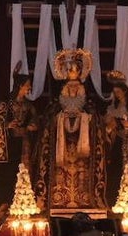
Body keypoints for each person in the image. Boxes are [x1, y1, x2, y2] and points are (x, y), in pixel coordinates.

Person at [42, 48, 110, 209]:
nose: (73, 90)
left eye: (76, 88)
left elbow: (95, 119)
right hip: (63, 144)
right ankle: (59, 198)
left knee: (82, 171)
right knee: (62, 172)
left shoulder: (88, 104)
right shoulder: (57, 104)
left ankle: (85, 198)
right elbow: (50, 118)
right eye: (70, 89)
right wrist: (60, 118)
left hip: (81, 146)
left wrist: (86, 118)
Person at [0, 66, 40, 202]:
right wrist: (7, 125)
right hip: (10, 143)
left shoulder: (29, 106)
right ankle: (6, 201)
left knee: (25, 170)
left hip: (24, 142)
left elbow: (35, 120)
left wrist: (32, 126)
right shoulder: (6, 105)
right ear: (20, 86)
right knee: (9, 172)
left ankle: (25, 200)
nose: (29, 88)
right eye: (27, 85)